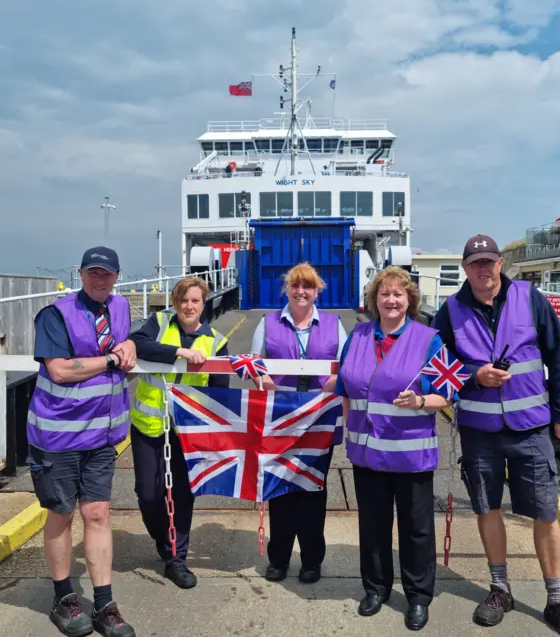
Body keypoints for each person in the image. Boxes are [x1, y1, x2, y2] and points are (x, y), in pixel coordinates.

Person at [434, 234, 560, 637]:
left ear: (501, 264)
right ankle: (500, 588)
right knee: (487, 508)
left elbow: (558, 355)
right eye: (475, 264)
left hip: (531, 427)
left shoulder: (530, 298)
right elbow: (435, 366)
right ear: (465, 268)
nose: (483, 270)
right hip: (480, 430)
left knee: (545, 511)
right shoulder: (450, 310)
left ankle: (557, 600)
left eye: (490, 262)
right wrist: (473, 377)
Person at [336, 266, 464, 632]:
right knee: (373, 526)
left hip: (410, 455)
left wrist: (422, 401)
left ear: (410, 301)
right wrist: (350, 431)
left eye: (398, 294)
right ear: (374, 301)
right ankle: (375, 588)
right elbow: (345, 388)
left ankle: (418, 597)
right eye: (384, 294)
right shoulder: (358, 336)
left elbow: (450, 392)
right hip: (367, 454)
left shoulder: (428, 340)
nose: (391, 300)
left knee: (416, 529)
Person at [27, 246, 136, 637]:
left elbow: (130, 339)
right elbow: (58, 371)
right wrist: (110, 359)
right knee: (61, 516)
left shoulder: (121, 308)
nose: (99, 279)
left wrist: (132, 345)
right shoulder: (56, 315)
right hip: (57, 437)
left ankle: (104, 602)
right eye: (92, 273)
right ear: (80, 273)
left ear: (117, 276)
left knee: (98, 514)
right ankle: (63, 598)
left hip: (100, 437)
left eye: (106, 274)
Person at [129, 276, 229, 589]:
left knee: (182, 495)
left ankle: (177, 558)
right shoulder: (158, 323)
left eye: (195, 301)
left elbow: (219, 394)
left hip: (187, 432)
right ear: (176, 302)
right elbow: (138, 343)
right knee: (148, 494)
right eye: (184, 300)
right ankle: (164, 537)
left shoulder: (216, 342)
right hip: (148, 426)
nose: (189, 306)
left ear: (204, 304)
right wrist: (180, 354)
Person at [250, 262, 347, 584]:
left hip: (319, 420)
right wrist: (263, 380)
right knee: (280, 490)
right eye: (296, 286)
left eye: (308, 286)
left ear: (317, 290)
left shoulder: (335, 325)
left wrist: (333, 382)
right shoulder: (267, 324)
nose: (301, 291)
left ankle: (311, 561)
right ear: (287, 290)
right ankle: (278, 559)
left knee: (312, 491)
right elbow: (253, 365)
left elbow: (346, 368)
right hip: (279, 419)